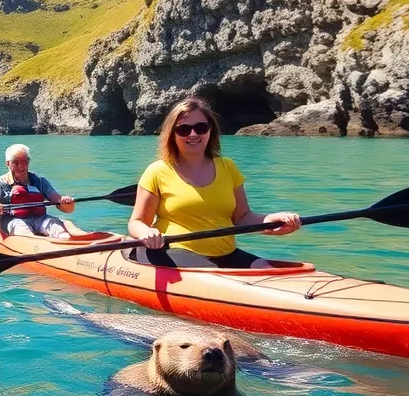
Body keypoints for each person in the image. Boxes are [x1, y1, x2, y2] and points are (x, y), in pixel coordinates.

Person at [127, 95, 302, 269]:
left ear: (210, 131)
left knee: (266, 268)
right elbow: (137, 222)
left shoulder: (228, 167)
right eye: (184, 129)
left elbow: (242, 217)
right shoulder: (157, 171)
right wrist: (146, 232)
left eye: (201, 127)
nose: (193, 134)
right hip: (174, 251)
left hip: (226, 253)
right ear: (172, 135)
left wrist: (271, 221)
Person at [0, 144, 77, 239]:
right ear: (8, 163)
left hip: (40, 219)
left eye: (24, 161)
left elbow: (63, 204)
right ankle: (36, 245)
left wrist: (66, 201)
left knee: (54, 224)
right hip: (13, 220)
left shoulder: (40, 182)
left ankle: (68, 243)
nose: (21, 166)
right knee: (20, 228)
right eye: (15, 162)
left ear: (28, 161)